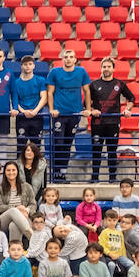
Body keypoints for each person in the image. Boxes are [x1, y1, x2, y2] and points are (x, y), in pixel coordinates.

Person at [45, 48, 91, 183]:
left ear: (75, 59)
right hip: (59, 114)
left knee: (67, 144)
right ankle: (55, 173)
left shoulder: (81, 72)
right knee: (57, 143)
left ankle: (62, 174)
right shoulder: (55, 72)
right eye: (66, 57)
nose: (68, 59)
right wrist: (52, 109)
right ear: (62, 59)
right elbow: (49, 92)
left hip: (74, 113)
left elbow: (87, 91)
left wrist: (87, 109)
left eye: (71, 57)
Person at [88, 57, 135, 183]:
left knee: (112, 151)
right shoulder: (94, 84)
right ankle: (94, 178)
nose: (106, 69)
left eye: (109, 66)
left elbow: (131, 98)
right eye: (104, 67)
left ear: (113, 68)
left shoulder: (119, 84)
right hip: (97, 123)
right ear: (101, 68)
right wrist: (92, 110)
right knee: (96, 151)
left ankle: (112, 179)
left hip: (113, 123)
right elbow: (86, 103)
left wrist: (127, 109)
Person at [10, 55, 48, 157]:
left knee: (36, 147)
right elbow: (14, 100)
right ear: (21, 66)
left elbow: (44, 97)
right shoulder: (16, 83)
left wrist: (35, 111)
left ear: (34, 66)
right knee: (20, 147)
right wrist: (23, 111)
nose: (28, 66)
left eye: (30, 64)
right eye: (25, 64)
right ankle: (20, 171)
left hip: (37, 117)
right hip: (22, 118)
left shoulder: (40, 80)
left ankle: (36, 172)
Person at [0, 161, 36, 243]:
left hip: (24, 217)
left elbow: (33, 204)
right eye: (8, 170)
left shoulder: (27, 186)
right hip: (3, 219)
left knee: (14, 225)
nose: (11, 172)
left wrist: (26, 210)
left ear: (17, 171)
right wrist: (17, 209)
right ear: (4, 172)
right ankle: (33, 238)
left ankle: (14, 251)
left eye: (13, 170)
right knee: (13, 211)